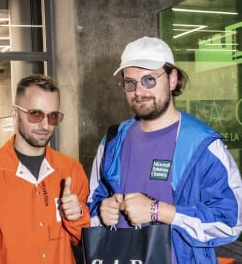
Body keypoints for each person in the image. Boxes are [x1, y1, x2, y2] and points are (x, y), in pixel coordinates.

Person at [88, 36, 242, 263]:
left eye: (149, 80)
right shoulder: (112, 141)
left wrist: (158, 211)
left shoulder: (202, 146)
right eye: (130, 83)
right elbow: (93, 203)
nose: (139, 91)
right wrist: (102, 211)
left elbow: (230, 222)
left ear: (172, 79)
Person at [0, 74, 90, 264]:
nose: (45, 125)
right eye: (35, 114)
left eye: (52, 116)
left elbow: (85, 240)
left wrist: (77, 216)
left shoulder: (71, 170)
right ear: (15, 113)